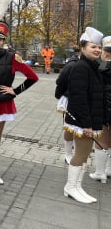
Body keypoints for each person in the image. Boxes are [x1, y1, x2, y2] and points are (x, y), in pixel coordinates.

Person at [0, 10, 39, 189]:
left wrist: (15, 91)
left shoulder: (12, 58)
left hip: (3, 102)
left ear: (4, 41)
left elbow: (33, 77)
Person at [63, 27, 104, 204]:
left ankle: (77, 186)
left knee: (85, 154)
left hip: (89, 120)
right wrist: (87, 124)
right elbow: (79, 99)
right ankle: (70, 187)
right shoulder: (81, 67)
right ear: (83, 47)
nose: (97, 50)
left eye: (99, 47)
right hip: (82, 121)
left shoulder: (92, 66)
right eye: (93, 46)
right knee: (80, 154)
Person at [88, 36, 111, 184]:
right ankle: (109, 169)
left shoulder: (100, 68)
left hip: (105, 108)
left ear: (105, 52)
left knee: (102, 141)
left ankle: (100, 172)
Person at [54, 45, 80, 164]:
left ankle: (77, 154)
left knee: (81, 129)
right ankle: (68, 154)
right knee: (70, 128)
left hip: (86, 101)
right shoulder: (72, 64)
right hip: (71, 100)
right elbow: (60, 81)